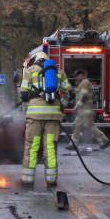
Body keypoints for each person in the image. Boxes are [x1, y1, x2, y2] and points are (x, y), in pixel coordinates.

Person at [19, 51, 71, 187]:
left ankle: (28, 180)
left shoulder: (29, 70)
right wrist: (61, 107)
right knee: (50, 147)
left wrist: (28, 109)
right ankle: (51, 180)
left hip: (35, 117)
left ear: (36, 59)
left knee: (32, 146)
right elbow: (69, 93)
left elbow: (23, 94)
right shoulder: (58, 71)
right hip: (53, 116)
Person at [70, 69, 110, 149]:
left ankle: (104, 140)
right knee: (78, 125)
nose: (76, 78)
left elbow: (84, 96)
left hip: (85, 110)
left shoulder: (85, 82)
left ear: (82, 75)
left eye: (77, 75)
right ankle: (73, 144)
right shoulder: (83, 83)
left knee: (87, 126)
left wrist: (77, 106)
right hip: (84, 110)